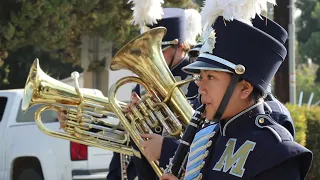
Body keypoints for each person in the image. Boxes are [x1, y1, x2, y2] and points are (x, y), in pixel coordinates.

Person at [160, 1, 312, 179]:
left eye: (211, 77)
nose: (200, 85)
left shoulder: (275, 152)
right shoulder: (203, 137)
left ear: (245, 88)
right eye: (201, 76)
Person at [108, 7, 202, 180]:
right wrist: (134, 121)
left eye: (161, 48)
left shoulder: (200, 81)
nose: (147, 57)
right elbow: (129, 141)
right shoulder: (142, 85)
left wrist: (166, 146)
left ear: (180, 45)